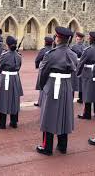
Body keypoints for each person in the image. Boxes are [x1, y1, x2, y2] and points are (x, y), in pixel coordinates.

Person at [36, 27, 76, 155]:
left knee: (49, 115)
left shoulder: (51, 54)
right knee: (64, 114)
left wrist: (43, 86)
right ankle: (62, 146)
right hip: (66, 86)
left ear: (58, 38)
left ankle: (47, 147)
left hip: (53, 85)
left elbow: (43, 73)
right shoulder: (73, 54)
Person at [0, 36, 23, 129]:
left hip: (6, 78)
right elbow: (19, 67)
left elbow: (0, 66)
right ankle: (13, 122)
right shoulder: (19, 56)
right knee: (14, 100)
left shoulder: (5, 55)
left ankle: (2, 123)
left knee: (4, 99)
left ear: (7, 44)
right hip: (15, 78)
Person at [77, 32, 95, 120]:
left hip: (88, 73)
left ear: (92, 40)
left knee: (87, 93)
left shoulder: (88, 50)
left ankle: (87, 114)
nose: (88, 39)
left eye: (90, 38)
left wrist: (78, 73)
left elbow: (81, 63)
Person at [34, 37, 54, 107]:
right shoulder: (54, 50)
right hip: (51, 70)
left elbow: (37, 59)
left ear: (45, 42)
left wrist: (37, 66)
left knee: (41, 85)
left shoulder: (43, 50)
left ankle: (40, 101)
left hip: (43, 69)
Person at [71, 32, 86, 103]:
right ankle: (81, 98)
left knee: (73, 81)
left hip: (75, 65)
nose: (77, 40)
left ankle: (71, 97)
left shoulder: (73, 47)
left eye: (78, 39)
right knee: (81, 82)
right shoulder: (85, 47)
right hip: (82, 66)